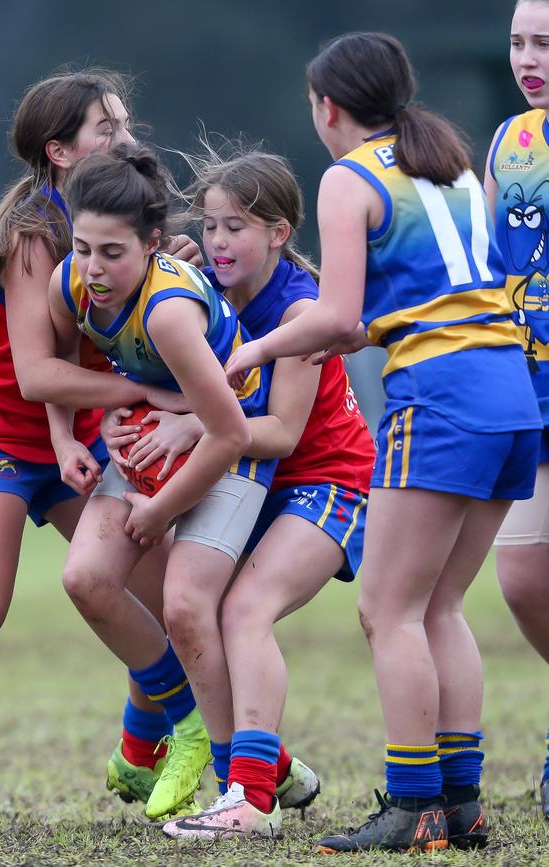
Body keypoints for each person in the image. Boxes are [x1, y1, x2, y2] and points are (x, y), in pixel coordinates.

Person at [226, 32, 543, 853]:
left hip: (440, 401)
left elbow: (333, 317)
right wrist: (354, 332)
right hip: (512, 395)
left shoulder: (348, 176)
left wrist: (256, 349)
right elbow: (415, 305)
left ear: (327, 108)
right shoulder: (454, 164)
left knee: (387, 609)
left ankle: (412, 806)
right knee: (440, 606)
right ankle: (462, 803)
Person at [0, 71, 197, 780]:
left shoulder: (126, 220)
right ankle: (181, 725)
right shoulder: (34, 233)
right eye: (107, 128)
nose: (126, 138)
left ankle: (141, 741)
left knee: (168, 596)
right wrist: (148, 391)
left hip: (79, 444)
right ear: (61, 152)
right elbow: (36, 376)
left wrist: (181, 275)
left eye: (125, 123)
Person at [107, 145, 374, 839]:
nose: (221, 242)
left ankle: (251, 799)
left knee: (244, 612)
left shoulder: (300, 310)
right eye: (214, 225)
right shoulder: (205, 292)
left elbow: (284, 432)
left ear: (280, 234)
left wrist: (189, 425)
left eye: (238, 228)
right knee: (187, 611)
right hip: (253, 484)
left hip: (324, 482)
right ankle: (270, 767)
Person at [44, 142, 276, 820]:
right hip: (155, 433)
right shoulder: (73, 280)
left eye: (112, 253)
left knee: (183, 604)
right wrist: (68, 435)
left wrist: (159, 510)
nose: (94, 268)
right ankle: (190, 721)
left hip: (228, 447)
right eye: (83, 247)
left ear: (151, 244)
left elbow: (231, 429)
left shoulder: (170, 311)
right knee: (85, 578)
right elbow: (60, 358)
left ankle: (242, 789)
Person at [485, 0, 549, 820]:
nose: (529, 58)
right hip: (524, 385)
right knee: (523, 576)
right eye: (519, 42)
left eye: (546, 43)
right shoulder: (512, 141)